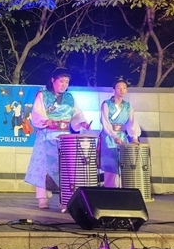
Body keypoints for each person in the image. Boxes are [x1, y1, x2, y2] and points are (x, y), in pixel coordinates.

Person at [24, 68, 90, 210]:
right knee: (44, 167)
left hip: (65, 137)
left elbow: (77, 114)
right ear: (53, 80)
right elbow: (37, 113)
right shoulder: (43, 95)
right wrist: (45, 120)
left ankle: (65, 199)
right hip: (47, 134)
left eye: (66, 82)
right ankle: (42, 199)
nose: (64, 84)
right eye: (61, 81)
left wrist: (82, 122)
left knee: (65, 168)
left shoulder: (69, 98)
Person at [99, 78, 141, 188]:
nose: (122, 90)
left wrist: (134, 137)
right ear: (113, 90)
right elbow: (105, 122)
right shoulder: (106, 104)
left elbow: (132, 122)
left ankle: (120, 189)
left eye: (124, 88)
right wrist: (114, 136)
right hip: (109, 136)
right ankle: (110, 188)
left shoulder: (127, 106)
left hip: (122, 136)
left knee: (122, 162)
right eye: (119, 88)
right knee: (111, 163)